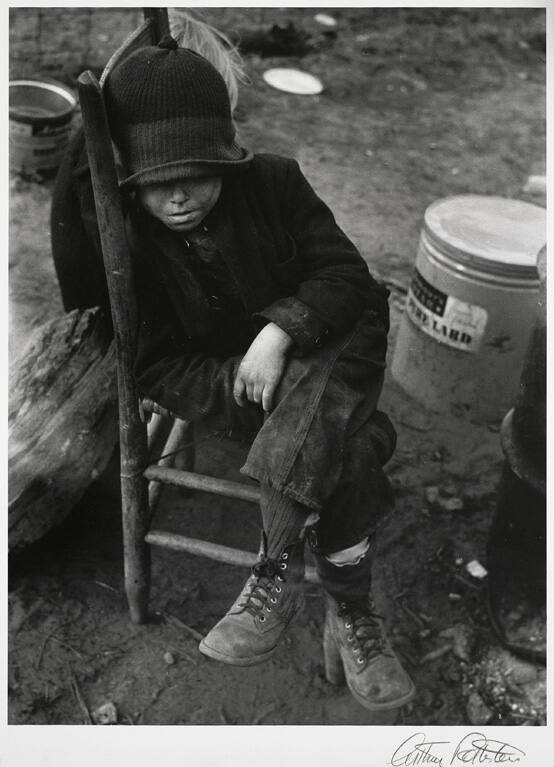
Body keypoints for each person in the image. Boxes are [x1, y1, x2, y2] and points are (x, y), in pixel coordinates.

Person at [51, 34, 415, 712]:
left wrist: (280, 332)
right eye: (156, 181)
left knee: (325, 376)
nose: (179, 196)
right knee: (357, 448)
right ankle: (353, 608)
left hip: (333, 343)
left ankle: (274, 567)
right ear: (131, 180)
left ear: (226, 155)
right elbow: (155, 364)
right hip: (252, 387)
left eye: (197, 172)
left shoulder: (273, 181)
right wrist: (254, 382)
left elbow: (347, 278)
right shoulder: (128, 242)